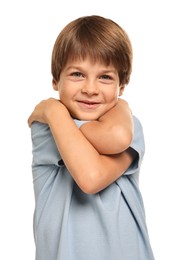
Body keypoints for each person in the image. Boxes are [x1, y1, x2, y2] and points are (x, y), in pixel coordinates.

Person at [28, 15, 155, 260]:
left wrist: (53, 110)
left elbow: (113, 142)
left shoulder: (129, 127)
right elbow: (89, 175)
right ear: (56, 80)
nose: (90, 88)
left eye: (105, 77)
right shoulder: (46, 129)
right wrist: (55, 116)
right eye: (77, 74)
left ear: (121, 87)